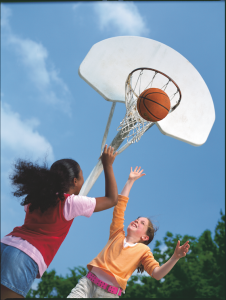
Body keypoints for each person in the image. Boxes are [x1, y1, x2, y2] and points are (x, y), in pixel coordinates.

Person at [1, 145, 118, 300]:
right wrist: (107, 165)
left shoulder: (36, 199)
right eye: (82, 176)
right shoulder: (70, 203)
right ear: (75, 181)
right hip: (23, 256)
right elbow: (111, 199)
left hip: (5, 245)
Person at [67, 166, 190, 298]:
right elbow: (119, 207)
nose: (137, 221)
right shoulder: (117, 234)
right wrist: (130, 181)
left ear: (144, 237)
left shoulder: (143, 251)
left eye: (142, 223)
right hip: (87, 284)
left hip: (108, 294)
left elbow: (157, 274)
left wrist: (175, 257)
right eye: (137, 219)